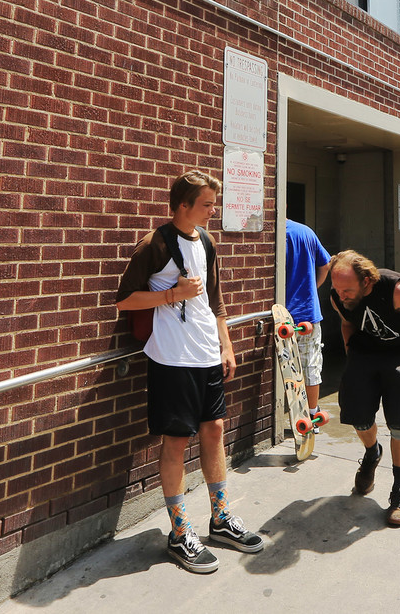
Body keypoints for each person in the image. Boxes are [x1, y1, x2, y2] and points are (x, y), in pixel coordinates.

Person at [115, 171, 264, 574]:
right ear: (183, 205)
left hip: (206, 355)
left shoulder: (208, 241)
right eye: (206, 204)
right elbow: (124, 300)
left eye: (213, 204)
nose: (213, 211)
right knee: (178, 440)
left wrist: (226, 344)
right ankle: (180, 533)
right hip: (172, 358)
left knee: (214, 429)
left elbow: (215, 299)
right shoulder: (156, 243)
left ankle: (220, 520)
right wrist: (171, 295)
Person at [328, 249, 400, 528]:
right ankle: (372, 452)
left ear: (366, 281)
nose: (342, 296)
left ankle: (399, 491)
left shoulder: (396, 290)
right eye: (337, 289)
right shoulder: (339, 297)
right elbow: (347, 323)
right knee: (358, 417)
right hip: (365, 352)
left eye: (347, 289)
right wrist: (354, 360)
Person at [284, 218, 332, 420]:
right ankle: (312, 415)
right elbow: (326, 264)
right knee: (310, 365)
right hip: (307, 312)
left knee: (283, 367)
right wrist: (312, 289)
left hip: (280, 314)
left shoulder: (272, 235)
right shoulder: (306, 232)